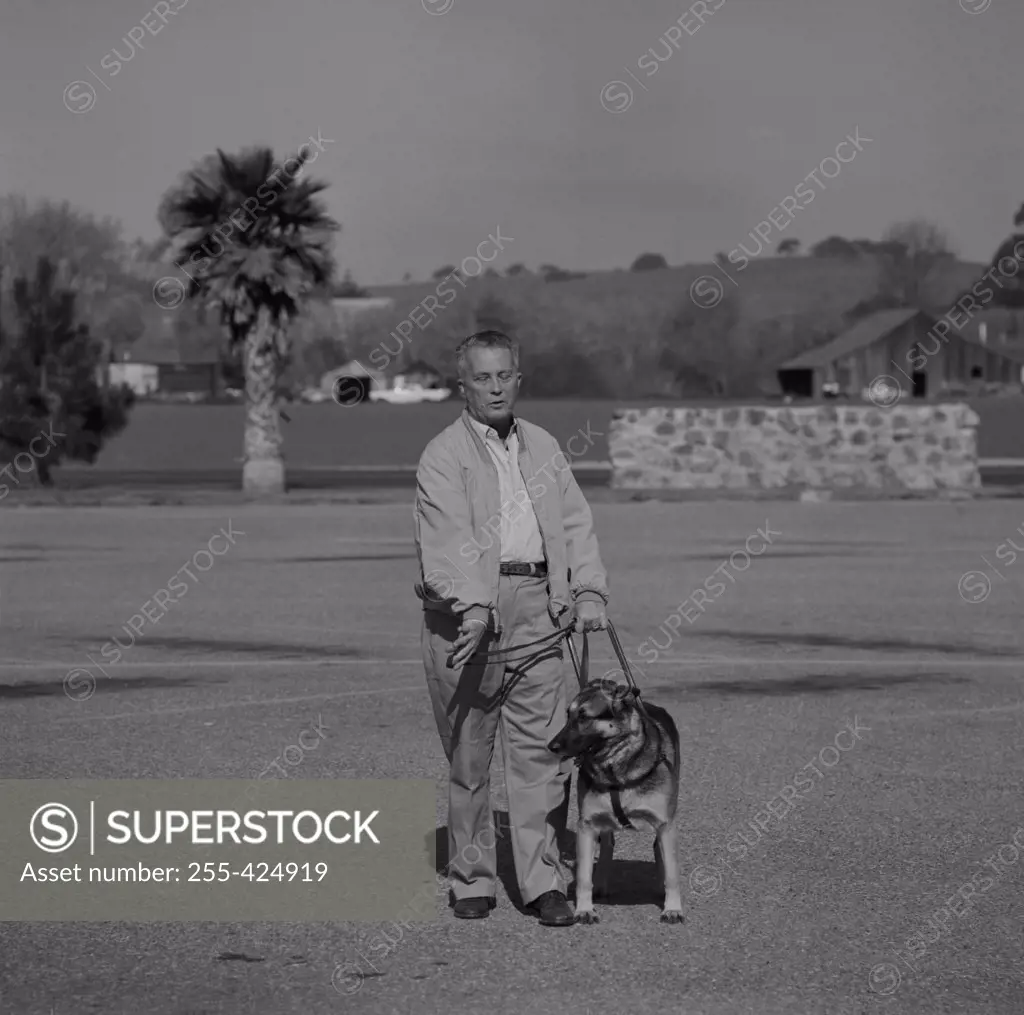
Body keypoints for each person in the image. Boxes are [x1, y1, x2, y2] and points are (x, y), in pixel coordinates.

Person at [413, 329, 609, 926]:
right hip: (466, 617)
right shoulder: (442, 454)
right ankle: (472, 879)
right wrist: (474, 609)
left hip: (540, 606)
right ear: (462, 385)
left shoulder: (545, 445)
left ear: (518, 379)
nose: (494, 387)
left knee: (543, 756)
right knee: (470, 757)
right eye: (482, 377)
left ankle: (543, 881)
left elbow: (575, 523)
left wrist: (588, 589)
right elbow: (446, 543)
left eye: (504, 376)